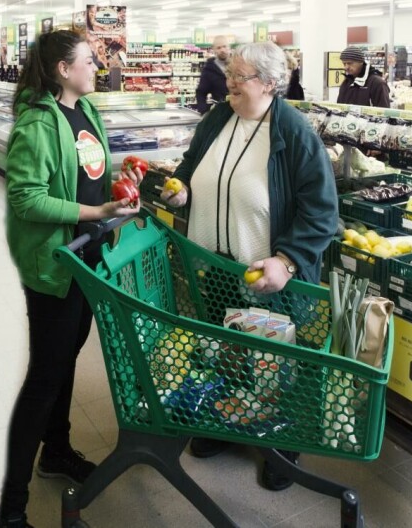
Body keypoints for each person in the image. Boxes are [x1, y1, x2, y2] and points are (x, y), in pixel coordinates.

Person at [159, 41, 338, 491]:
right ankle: (224, 424)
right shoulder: (219, 116)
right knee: (224, 346)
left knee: (271, 360)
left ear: (271, 84)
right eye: (230, 74)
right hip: (213, 264)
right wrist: (181, 188)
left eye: (241, 78)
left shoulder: (293, 132)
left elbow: (321, 211)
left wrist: (289, 260)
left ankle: (281, 443)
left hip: (264, 272)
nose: (229, 84)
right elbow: (191, 164)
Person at [0, 30, 140, 528]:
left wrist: (126, 186)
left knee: (65, 362)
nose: (97, 67)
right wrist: (95, 207)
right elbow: (26, 198)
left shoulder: (87, 112)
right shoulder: (38, 122)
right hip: (56, 266)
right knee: (43, 378)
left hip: (88, 260)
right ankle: (12, 508)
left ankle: (55, 451)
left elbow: (92, 171)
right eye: (88, 61)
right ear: (63, 69)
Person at [195, 35, 231, 113]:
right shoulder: (209, 70)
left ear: (229, 48)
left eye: (224, 46)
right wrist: (204, 111)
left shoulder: (238, 65)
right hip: (221, 111)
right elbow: (201, 92)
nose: (222, 50)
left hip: (240, 111)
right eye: (219, 48)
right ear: (214, 50)